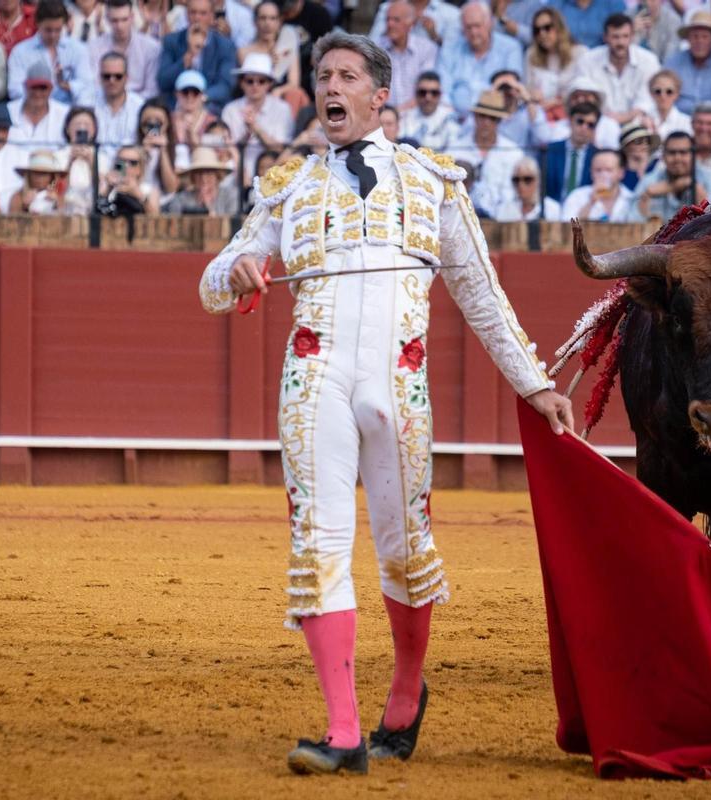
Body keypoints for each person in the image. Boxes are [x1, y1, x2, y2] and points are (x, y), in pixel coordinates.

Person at [199, 30, 572, 776]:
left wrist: (533, 382)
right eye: (321, 76)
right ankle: (342, 734)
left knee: (406, 551)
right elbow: (210, 283)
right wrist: (240, 265)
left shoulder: (435, 182)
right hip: (315, 382)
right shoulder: (288, 185)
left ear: (379, 95)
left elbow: (482, 296)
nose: (331, 86)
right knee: (319, 545)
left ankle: (405, 689)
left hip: (399, 387)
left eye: (345, 75)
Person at [437, 1, 524, 120]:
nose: (473, 32)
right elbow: (443, 92)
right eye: (468, 27)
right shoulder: (449, 50)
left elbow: (511, 90)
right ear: (462, 28)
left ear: (490, 24)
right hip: (456, 120)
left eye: (477, 26)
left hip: (497, 121)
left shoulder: (510, 48)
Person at [570, 13, 658, 127]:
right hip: (598, 123)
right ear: (605, 37)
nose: (621, 43)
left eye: (625, 36)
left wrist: (623, 118)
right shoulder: (588, 60)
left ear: (632, 37)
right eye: (615, 37)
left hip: (638, 122)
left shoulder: (649, 61)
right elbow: (583, 95)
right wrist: (608, 120)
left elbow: (648, 100)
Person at [7, 0, 94, 107]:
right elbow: (15, 90)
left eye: (58, 30)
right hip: (34, 110)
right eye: (48, 30)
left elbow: (88, 86)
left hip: (71, 113)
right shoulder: (20, 52)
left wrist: (68, 86)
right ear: (38, 24)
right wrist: (41, 94)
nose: (53, 35)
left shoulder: (78, 49)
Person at [222, 52, 292, 184]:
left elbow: (281, 150)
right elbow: (227, 151)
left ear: (269, 84)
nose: (255, 85)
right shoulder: (230, 110)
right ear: (241, 83)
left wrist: (256, 129)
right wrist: (247, 133)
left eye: (261, 81)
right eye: (250, 81)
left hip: (274, 174)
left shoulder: (282, 109)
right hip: (235, 174)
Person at [157, 0, 237, 115]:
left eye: (202, 13)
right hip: (177, 104)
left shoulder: (225, 45)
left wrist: (198, 98)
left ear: (211, 16)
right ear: (186, 14)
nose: (197, 18)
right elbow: (163, 81)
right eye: (192, 12)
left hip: (209, 104)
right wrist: (186, 58)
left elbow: (225, 86)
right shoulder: (172, 41)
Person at [454, 88, 524, 217]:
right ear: (475, 117)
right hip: (462, 219)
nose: (486, 122)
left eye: (492, 118)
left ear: (499, 121)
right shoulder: (455, 149)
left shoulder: (513, 153)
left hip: (502, 222)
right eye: (482, 116)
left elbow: (517, 195)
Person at [632, 131, 711, 220]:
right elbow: (632, 220)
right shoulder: (649, 181)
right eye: (672, 152)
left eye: (683, 152)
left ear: (694, 155)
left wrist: (693, 185)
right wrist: (647, 195)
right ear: (663, 156)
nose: (677, 158)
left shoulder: (710, 178)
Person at [242, 0, 307, 112]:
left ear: (280, 22)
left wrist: (279, 91)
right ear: (255, 22)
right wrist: (268, 64)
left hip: (282, 98)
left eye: (273, 18)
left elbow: (294, 83)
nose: (267, 23)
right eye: (263, 18)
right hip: (255, 99)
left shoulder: (288, 43)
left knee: (296, 94)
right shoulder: (245, 52)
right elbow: (251, 83)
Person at [89, 0, 161, 100]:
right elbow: (93, 86)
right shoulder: (94, 47)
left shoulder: (151, 47)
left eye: (124, 19)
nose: (120, 26)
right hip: (103, 102)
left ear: (132, 17)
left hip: (141, 105)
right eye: (115, 20)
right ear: (107, 19)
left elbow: (152, 90)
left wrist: (129, 103)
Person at [664, 10, 711, 115]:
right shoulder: (673, 62)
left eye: (705, 37)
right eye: (695, 36)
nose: (699, 41)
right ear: (688, 39)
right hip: (679, 118)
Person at [523, 6, 583, 113]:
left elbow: (583, 91)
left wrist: (557, 102)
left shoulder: (579, 53)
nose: (542, 34)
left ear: (559, 28)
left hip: (571, 113)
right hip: (540, 113)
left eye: (547, 28)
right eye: (537, 30)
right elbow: (527, 89)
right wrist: (533, 96)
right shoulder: (531, 54)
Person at [378, 0, 437, 107]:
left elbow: (425, 90)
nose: (390, 24)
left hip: (417, 113)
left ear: (411, 24)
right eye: (387, 19)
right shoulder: (377, 49)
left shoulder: (426, 48)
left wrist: (399, 112)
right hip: (385, 114)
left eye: (396, 20)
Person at [558, 147, 636, 221]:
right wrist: (591, 202)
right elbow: (567, 229)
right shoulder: (577, 196)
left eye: (609, 170)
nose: (603, 175)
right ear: (591, 173)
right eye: (598, 170)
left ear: (621, 173)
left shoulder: (631, 199)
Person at [7, 61, 71, 151]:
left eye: (43, 88)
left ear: (51, 89)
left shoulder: (65, 114)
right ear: (25, 87)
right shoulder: (8, 111)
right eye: (33, 87)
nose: (37, 93)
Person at [543, 99, 598, 203]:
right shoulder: (550, 151)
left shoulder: (597, 156)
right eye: (580, 121)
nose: (584, 128)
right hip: (553, 212)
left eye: (590, 125)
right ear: (570, 122)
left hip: (583, 213)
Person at [94, 51, 144, 161]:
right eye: (107, 76)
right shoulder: (88, 104)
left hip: (128, 168)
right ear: (99, 77)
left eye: (118, 76)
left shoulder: (140, 107)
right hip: (95, 168)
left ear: (126, 77)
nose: (112, 81)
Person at [163, 144, 238, 214]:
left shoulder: (230, 196)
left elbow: (234, 225)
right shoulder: (180, 200)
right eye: (199, 173)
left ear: (217, 175)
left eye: (208, 173)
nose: (204, 179)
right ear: (192, 177)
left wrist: (209, 208)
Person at [398, 70, 460, 152]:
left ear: (440, 95)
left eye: (434, 93)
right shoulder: (405, 117)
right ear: (416, 94)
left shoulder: (449, 118)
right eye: (422, 92)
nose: (428, 98)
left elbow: (454, 150)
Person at [60, 106, 105, 214]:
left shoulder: (102, 157)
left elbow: (104, 189)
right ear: (67, 128)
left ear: (94, 130)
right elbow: (54, 188)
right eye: (77, 125)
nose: (82, 128)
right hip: (64, 211)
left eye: (87, 125)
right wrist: (70, 163)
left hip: (93, 212)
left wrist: (92, 164)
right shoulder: (58, 156)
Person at [368, 0, 459, 49]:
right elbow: (371, 44)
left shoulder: (451, 13)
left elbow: (455, 53)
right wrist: (394, 26)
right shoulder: (389, 7)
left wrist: (434, 36)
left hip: (431, 73)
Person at [136, 97, 179, 200]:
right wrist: (142, 155)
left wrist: (163, 151)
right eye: (147, 123)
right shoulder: (128, 145)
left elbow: (171, 188)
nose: (152, 126)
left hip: (166, 203)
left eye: (158, 123)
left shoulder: (179, 149)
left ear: (167, 124)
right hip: (137, 198)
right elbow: (121, 175)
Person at [494, 154, 560, 220]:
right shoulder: (505, 209)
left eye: (527, 179)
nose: (521, 185)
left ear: (538, 180)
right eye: (516, 180)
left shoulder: (552, 210)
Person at [170, 69, 215, 164]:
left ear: (202, 95)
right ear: (177, 94)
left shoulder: (212, 122)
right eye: (185, 92)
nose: (190, 97)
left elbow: (208, 156)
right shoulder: (169, 120)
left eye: (195, 92)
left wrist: (190, 133)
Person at [8, 148, 66, 213]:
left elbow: (67, 218)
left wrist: (56, 204)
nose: (39, 178)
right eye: (36, 173)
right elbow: (10, 221)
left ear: (51, 176)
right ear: (29, 175)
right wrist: (25, 207)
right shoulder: (17, 197)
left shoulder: (59, 197)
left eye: (44, 174)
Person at [556, 0, 625, 49]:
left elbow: (622, 32)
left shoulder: (613, 2)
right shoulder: (558, 3)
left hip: (604, 58)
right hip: (568, 57)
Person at [648, 70, 691, 141]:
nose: (663, 96)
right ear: (651, 93)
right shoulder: (639, 121)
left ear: (677, 94)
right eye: (658, 91)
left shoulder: (687, 123)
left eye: (669, 91)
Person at [617, 119, 658, 189]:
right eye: (638, 141)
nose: (644, 145)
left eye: (647, 141)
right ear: (626, 146)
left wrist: (644, 164)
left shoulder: (657, 165)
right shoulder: (618, 170)